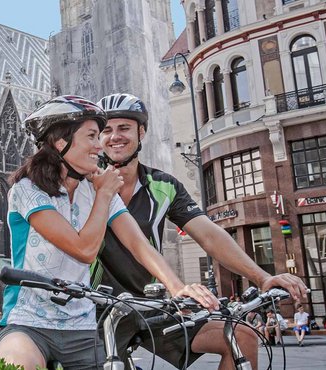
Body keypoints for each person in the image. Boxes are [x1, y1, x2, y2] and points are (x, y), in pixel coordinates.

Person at [0, 96, 220, 370]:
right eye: (91, 136)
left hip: (82, 327)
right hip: (27, 323)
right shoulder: (28, 189)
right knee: (22, 365)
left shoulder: (98, 188)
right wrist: (103, 194)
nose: (99, 145)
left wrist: (178, 288)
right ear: (61, 142)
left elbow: (139, 244)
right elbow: (83, 250)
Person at [92, 93, 309, 368]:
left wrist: (262, 277)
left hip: (151, 303)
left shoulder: (164, 185)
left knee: (241, 337)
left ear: (141, 132)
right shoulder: (87, 180)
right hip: (96, 306)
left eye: (124, 128)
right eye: (106, 130)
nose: (115, 137)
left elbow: (209, 235)